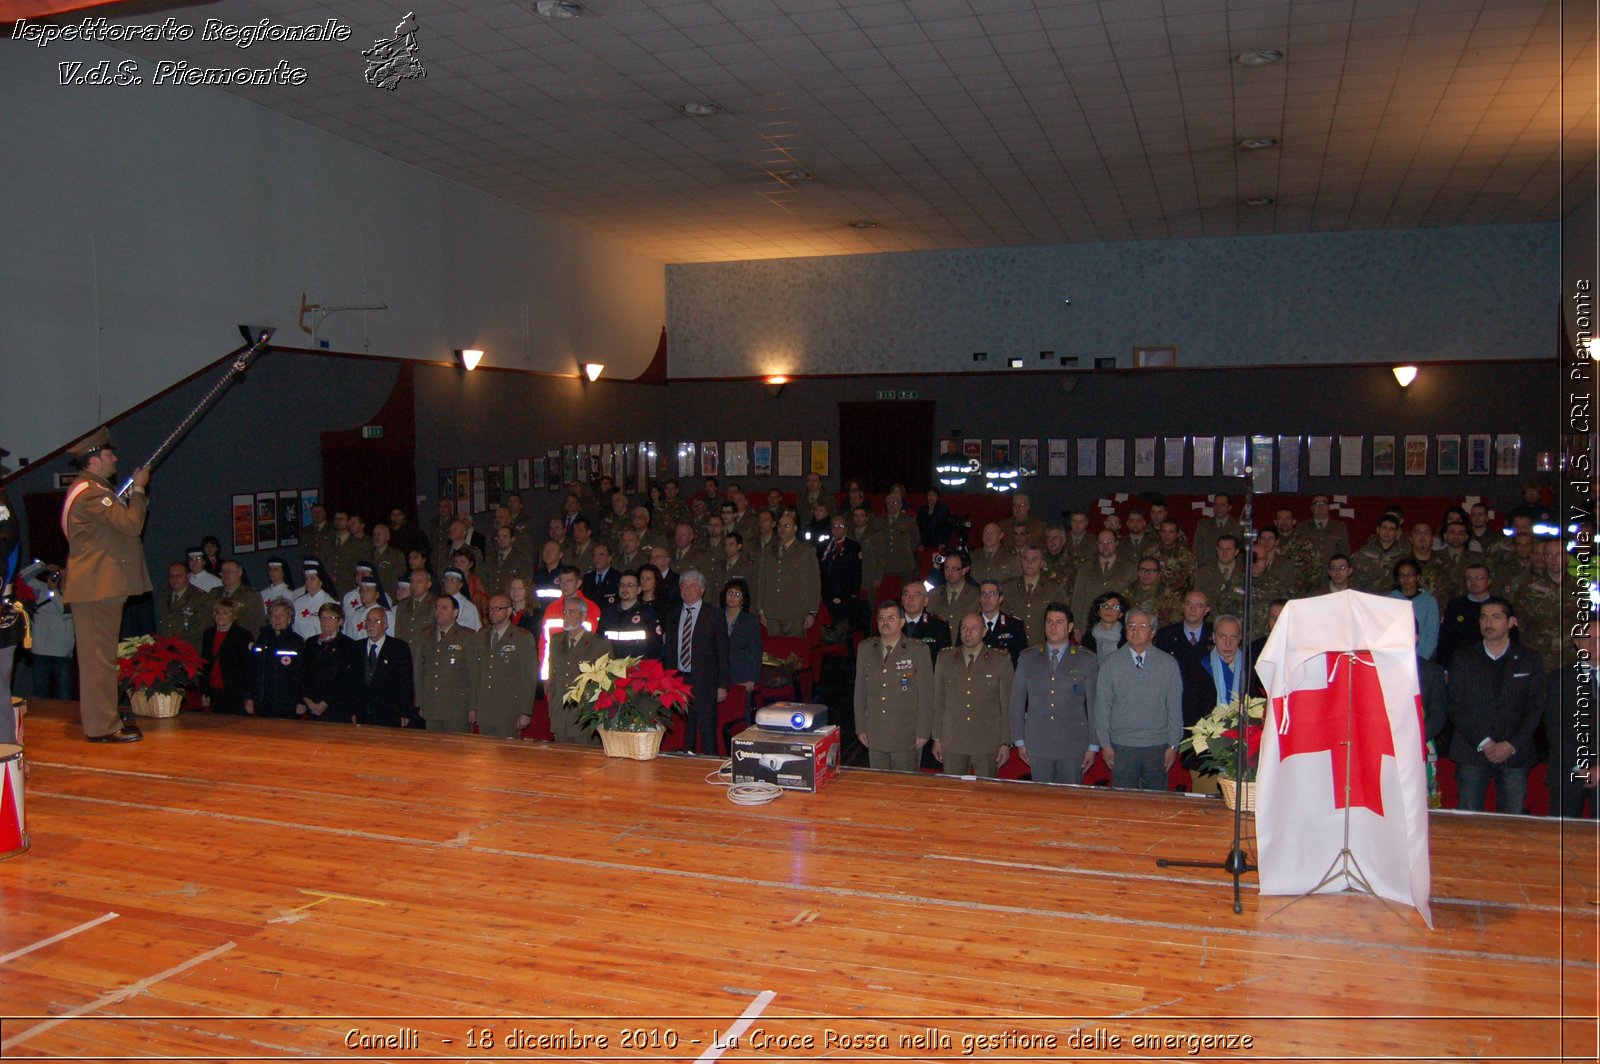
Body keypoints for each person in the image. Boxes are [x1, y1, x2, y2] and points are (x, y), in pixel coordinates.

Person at [61, 427, 151, 743]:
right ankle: (102, 725)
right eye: (110, 454)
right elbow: (130, 524)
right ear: (95, 459)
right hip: (97, 587)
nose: (116, 458)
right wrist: (139, 491)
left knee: (100, 657)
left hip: (98, 586)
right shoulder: (91, 492)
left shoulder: (92, 489)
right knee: (98, 659)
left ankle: (104, 716)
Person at [1446, 597, 1544, 814]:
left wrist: (1510, 744)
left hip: (1514, 753)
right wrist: (1485, 742)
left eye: (1495, 617)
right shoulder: (1463, 657)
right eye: (1483, 617)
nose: (1488, 623)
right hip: (1472, 751)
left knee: (1512, 821)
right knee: (1468, 820)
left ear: (1511, 622)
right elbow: (1455, 706)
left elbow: (1535, 708)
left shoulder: (1530, 659)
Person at [1092, 608, 1183, 791]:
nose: (1135, 630)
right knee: (1124, 805)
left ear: (1153, 631)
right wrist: (1105, 744)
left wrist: (1174, 744)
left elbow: (1174, 707)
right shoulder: (1110, 663)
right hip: (1122, 746)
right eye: (1131, 626)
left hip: (1157, 746)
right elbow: (1102, 707)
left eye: (1142, 626)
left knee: (1155, 804)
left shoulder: (1168, 664)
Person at [1009, 603, 1099, 784]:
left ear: (1070, 627)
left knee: (1069, 801)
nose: (1053, 626)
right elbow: (1017, 702)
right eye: (1049, 622)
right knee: (1040, 800)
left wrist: (1093, 745)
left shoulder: (1085, 659)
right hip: (1038, 742)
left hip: (1073, 743)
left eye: (1059, 622)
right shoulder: (1028, 658)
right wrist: (1019, 740)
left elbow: (1094, 705)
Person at [853, 600, 935, 772]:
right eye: (881, 618)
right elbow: (860, 692)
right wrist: (860, 727)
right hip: (875, 731)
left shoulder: (917, 650)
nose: (885, 622)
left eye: (891, 618)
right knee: (879, 787)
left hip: (905, 733)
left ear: (902, 622)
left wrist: (923, 731)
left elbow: (926, 695)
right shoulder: (866, 648)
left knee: (903, 788)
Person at [931, 612, 1015, 778]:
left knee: (985, 795)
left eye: (974, 628)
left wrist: (1006, 742)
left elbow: (1007, 705)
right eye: (964, 628)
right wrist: (937, 737)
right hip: (953, 739)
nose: (967, 632)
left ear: (984, 631)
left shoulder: (1000, 660)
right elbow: (938, 700)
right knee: (953, 792)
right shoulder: (945, 658)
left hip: (987, 741)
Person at [661, 569, 730, 755]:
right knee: (685, 729)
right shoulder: (673, 614)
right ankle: (685, 762)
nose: (687, 589)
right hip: (679, 680)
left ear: (702, 590)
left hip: (706, 681)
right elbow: (669, 652)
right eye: (684, 585)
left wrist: (722, 685)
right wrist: (667, 680)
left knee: (707, 729)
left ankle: (708, 765)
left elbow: (723, 652)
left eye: (692, 586)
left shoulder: (714, 615)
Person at [1545, 624, 1598, 818]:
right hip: (1567, 770)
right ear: (1576, 642)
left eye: (1598, 639)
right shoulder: (1559, 678)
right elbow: (1553, 727)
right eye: (1586, 638)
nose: (1592, 644)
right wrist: (1579, 766)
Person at [547, 596, 612, 744]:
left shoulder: (599, 644)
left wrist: (600, 716)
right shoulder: (556, 641)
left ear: (583, 616)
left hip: (584, 718)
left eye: (571, 612)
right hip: (560, 715)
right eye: (564, 612)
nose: (566, 616)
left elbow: (606, 684)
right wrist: (552, 710)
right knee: (561, 761)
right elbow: (553, 678)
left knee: (586, 763)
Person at [416, 593, 481, 734]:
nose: (439, 611)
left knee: (457, 750)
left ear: (455, 613)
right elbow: (420, 671)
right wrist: (420, 703)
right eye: (437, 607)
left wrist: (473, 707)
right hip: (432, 705)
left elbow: (474, 674)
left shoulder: (467, 636)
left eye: (444, 608)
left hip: (456, 708)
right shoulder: (426, 635)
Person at [474, 595, 538, 738]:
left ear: (509, 611)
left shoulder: (521, 637)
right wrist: (474, 707)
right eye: (490, 609)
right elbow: (476, 674)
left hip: (509, 711)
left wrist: (525, 712)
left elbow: (529, 677)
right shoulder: (481, 636)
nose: (493, 612)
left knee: (507, 754)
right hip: (485, 709)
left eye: (498, 609)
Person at [299, 602, 360, 723]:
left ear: (340, 622)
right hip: (311, 705)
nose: (326, 621)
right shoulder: (311, 643)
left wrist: (326, 702)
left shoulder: (348, 645)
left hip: (337, 707)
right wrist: (306, 699)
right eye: (323, 618)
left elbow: (345, 679)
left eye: (331, 618)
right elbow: (302, 672)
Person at [354, 606, 414, 728]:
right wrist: (352, 710)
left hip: (389, 713)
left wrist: (405, 712)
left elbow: (406, 682)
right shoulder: (356, 647)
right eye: (368, 621)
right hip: (362, 713)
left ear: (385, 625)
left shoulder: (398, 648)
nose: (371, 624)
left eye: (377, 621)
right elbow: (352, 683)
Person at [245, 598, 305, 718]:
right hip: (263, 703)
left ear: (289, 619)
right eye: (273, 615)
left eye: (281, 615)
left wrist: (301, 700)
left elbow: (302, 674)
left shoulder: (296, 642)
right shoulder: (262, 640)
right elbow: (253, 670)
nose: (277, 619)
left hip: (288, 704)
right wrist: (249, 697)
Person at [199, 597, 253, 714]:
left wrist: (249, 696)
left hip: (235, 690)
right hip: (213, 688)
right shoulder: (208, 633)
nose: (220, 616)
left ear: (233, 616)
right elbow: (204, 664)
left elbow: (249, 667)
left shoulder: (243, 635)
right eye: (217, 613)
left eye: (225, 613)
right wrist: (205, 691)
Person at [600, 570, 663, 660]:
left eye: (630, 585)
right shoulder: (608, 613)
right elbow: (600, 642)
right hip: (611, 667)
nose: (625, 589)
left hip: (638, 669)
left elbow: (655, 646)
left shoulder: (648, 613)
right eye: (622, 585)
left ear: (639, 590)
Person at [1387, 558, 1440, 661]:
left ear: (1417, 577)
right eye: (1402, 575)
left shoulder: (1429, 601)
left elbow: (1432, 634)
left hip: (1422, 656)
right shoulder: (1390, 599)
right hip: (1395, 657)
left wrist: (1422, 658)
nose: (1406, 578)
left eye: (1410, 574)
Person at [155, 561, 212, 651]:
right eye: (171, 576)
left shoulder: (200, 597)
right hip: (164, 649)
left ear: (188, 576)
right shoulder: (163, 596)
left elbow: (200, 628)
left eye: (179, 576)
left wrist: (176, 645)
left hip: (188, 650)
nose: (175, 579)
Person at [722, 578, 762, 696]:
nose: (732, 597)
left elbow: (755, 651)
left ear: (743, 599)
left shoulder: (750, 621)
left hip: (741, 673)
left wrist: (752, 677)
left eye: (737, 594)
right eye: (730, 593)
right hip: (719, 674)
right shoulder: (715, 618)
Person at [1079, 591, 1129, 660]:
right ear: (1098, 612)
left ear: (1121, 614)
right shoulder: (1088, 639)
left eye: (1115, 607)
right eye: (1104, 606)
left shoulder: (1128, 638)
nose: (1109, 609)